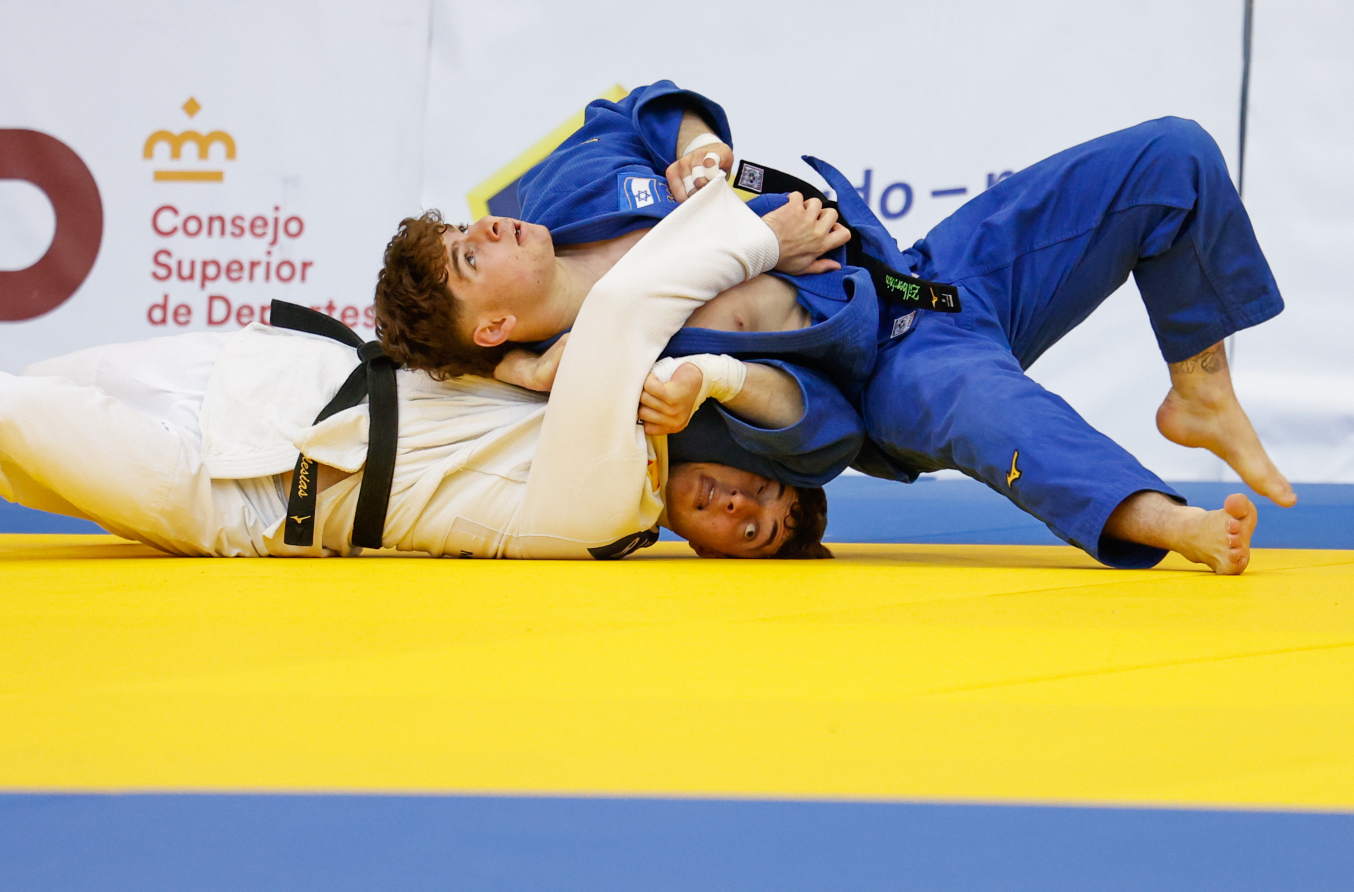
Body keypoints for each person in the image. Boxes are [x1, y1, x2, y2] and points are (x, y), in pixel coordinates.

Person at [0, 175, 838, 561]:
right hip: (263, 374)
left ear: (724, 559)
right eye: (766, 494)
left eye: (752, 532)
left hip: (237, 493)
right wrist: (533, 374)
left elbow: (620, 316)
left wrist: (757, 234)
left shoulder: (601, 516)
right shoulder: (620, 411)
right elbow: (586, 352)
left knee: (8, 417)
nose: (739, 505)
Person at [373, 85, 1292, 575]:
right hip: (894, 368)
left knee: (1170, 154)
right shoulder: (613, 383)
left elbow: (637, 108)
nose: (486, 229)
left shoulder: (558, 195)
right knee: (990, 412)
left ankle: (1199, 391)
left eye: (464, 233)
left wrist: (696, 146)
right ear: (493, 327)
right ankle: (1166, 520)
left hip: (926, 271)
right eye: (469, 259)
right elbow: (822, 437)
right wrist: (552, 374)